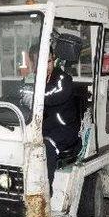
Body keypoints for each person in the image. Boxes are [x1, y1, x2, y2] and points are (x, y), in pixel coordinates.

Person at [42, 48, 80, 195]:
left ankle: (45, 191)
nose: (46, 66)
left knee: (45, 146)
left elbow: (54, 96)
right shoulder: (34, 79)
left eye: (49, 62)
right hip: (44, 126)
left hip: (64, 128)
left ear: (53, 59)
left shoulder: (63, 79)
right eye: (41, 62)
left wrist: (33, 96)